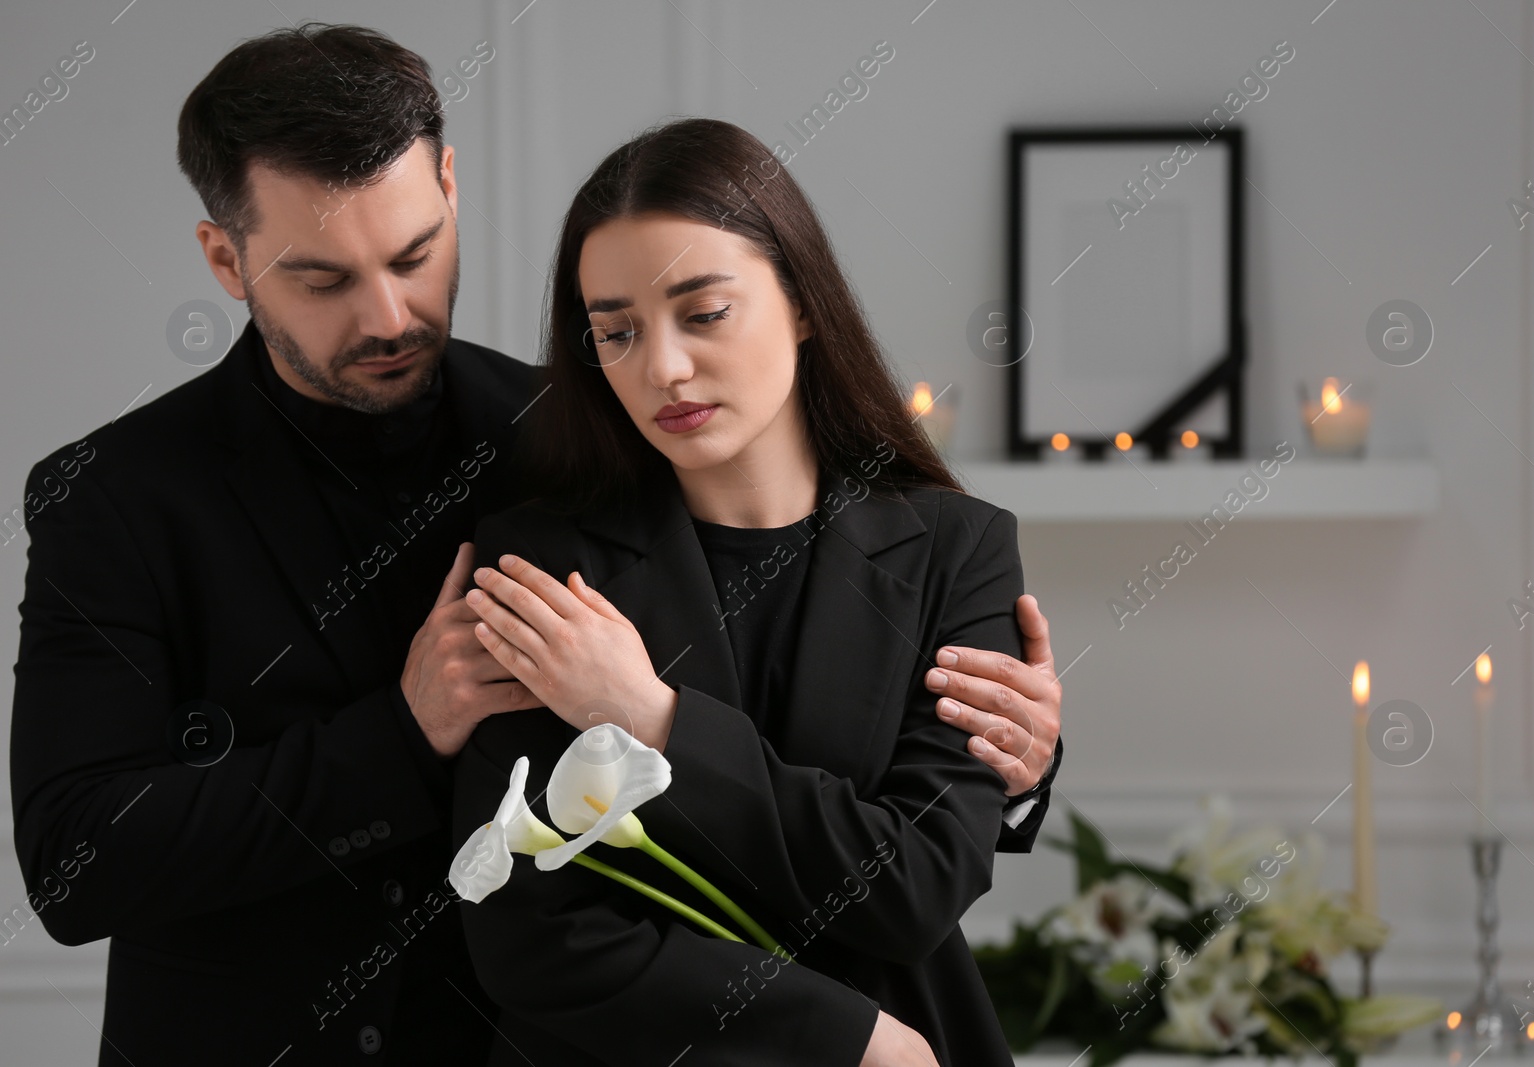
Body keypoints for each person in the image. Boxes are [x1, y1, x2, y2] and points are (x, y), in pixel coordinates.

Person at [7, 25, 1062, 1065]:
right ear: (224, 258)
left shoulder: (589, 431)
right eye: (322, 279)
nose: (388, 313)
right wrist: (404, 732)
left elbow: (780, 673)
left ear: (453, 186)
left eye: (415, 255)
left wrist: (1002, 764)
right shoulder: (110, 499)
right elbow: (73, 864)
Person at [454, 117, 1052, 1066]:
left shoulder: (958, 548)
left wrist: (650, 716)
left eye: (704, 312)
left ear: (804, 302)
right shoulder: (539, 564)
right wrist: (843, 1037)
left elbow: (914, 886)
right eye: (617, 331)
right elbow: (534, 934)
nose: (663, 368)